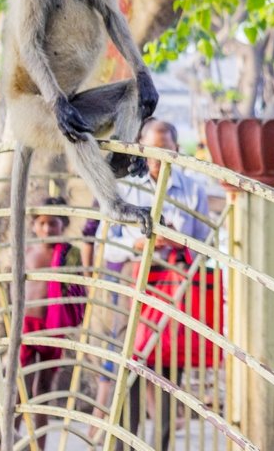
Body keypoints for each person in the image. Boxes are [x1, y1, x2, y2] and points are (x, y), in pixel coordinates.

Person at [91, 117, 213, 450]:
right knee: (127, 368)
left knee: (168, 373)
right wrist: (136, 245)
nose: (159, 153)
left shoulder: (192, 189)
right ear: (141, 149)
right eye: (152, 146)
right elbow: (106, 242)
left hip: (172, 286)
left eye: (166, 146)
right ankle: (123, 445)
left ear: (175, 147)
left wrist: (175, 244)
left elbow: (206, 246)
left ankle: (160, 445)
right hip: (133, 283)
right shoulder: (127, 188)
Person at [17, 196, 86, 443]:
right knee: (20, 384)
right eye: (42, 223)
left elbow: (79, 289)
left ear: (63, 224)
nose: (48, 229)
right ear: (34, 225)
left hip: (53, 329)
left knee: (44, 387)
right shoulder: (25, 252)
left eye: (53, 223)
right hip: (26, 326)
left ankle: (40, 443)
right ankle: (11, 437)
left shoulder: (69, 254)